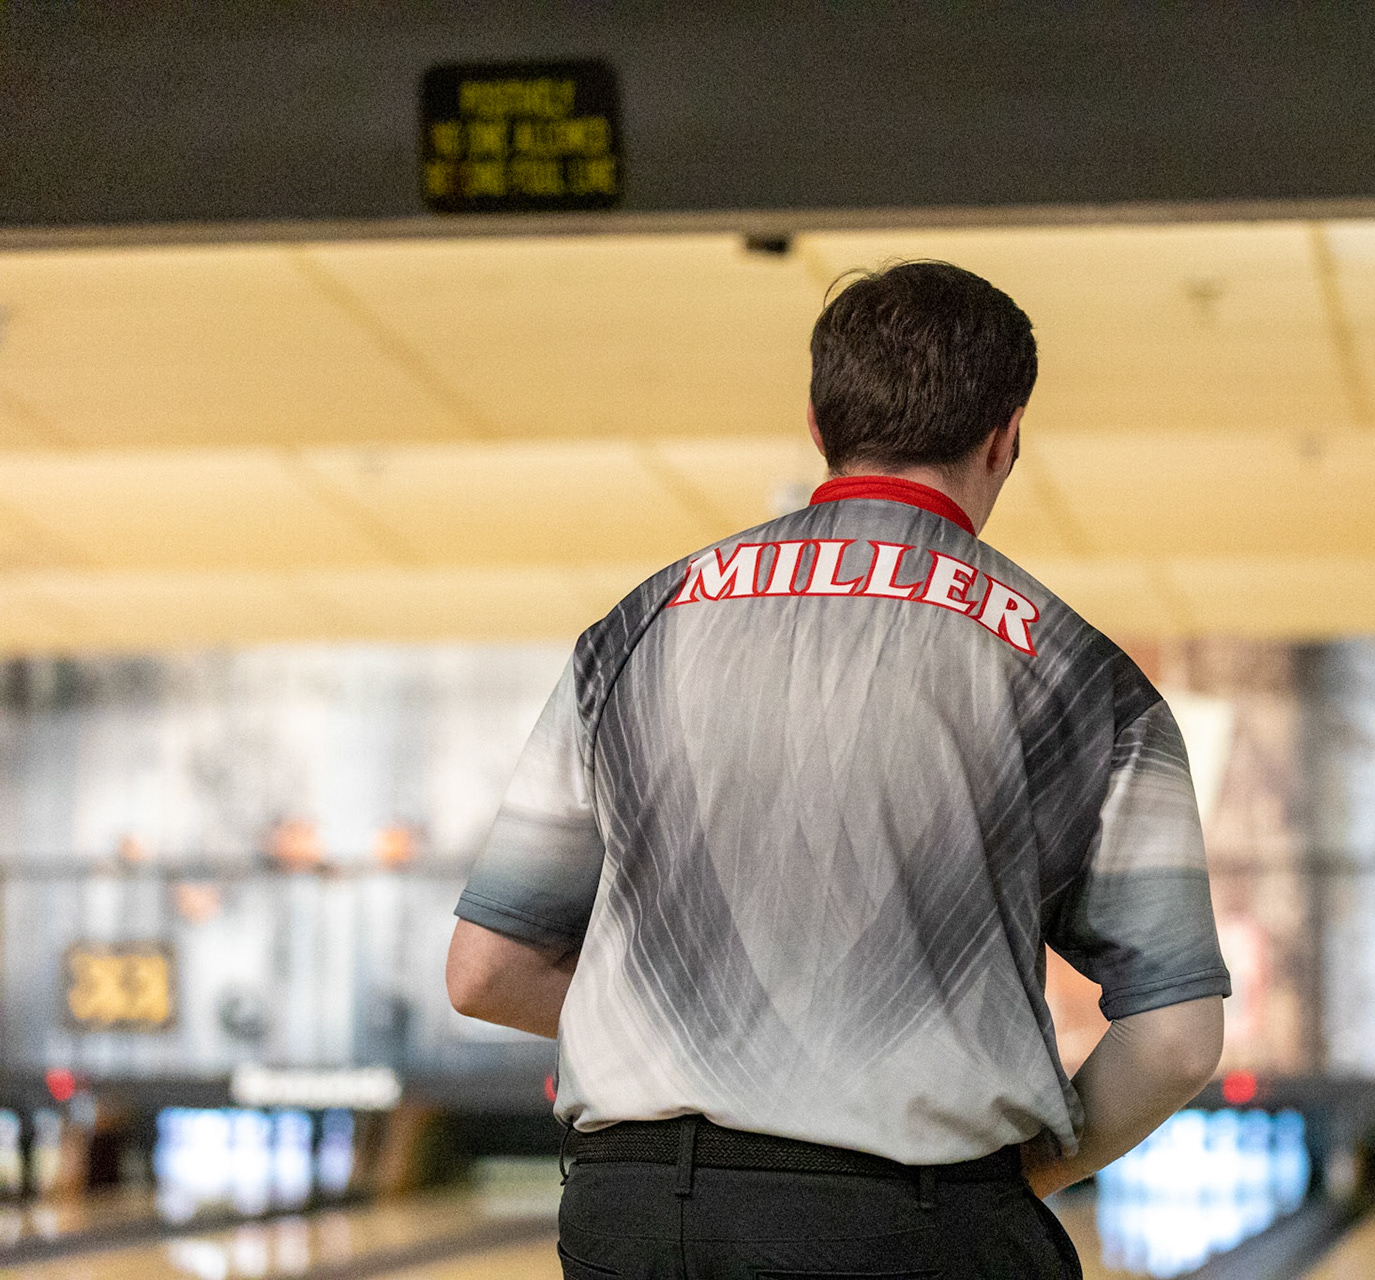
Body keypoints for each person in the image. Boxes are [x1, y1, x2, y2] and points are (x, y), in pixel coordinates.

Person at [445, 260, 1230, 1279]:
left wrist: (698, 1034)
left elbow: (485, 968)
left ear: (819, 425)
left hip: (638, 1214)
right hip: (908, 1219)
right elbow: (1177, 1038)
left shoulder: (633, 634)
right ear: (1006, 435)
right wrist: (1026, 1168)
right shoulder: (1082, 677)